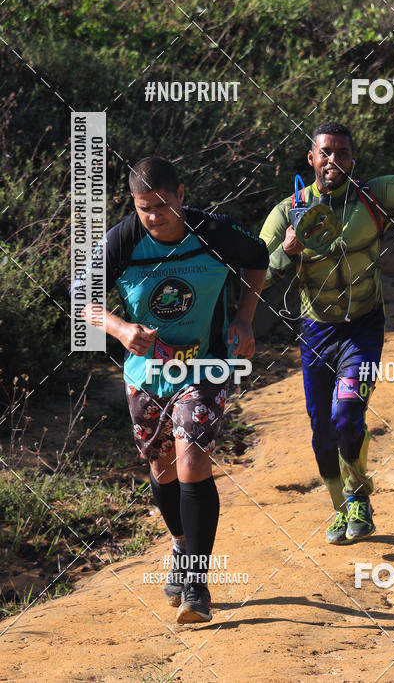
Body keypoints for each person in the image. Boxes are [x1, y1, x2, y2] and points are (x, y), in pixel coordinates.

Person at [76, 156, 268, 623]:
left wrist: (243, 318)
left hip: (205, 367)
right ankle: (182, 547)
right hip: (146, 374)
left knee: (193, 461)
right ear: (134, 205)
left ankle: (198, 587)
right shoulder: (121, 241)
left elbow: (258, 256)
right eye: (145, 208)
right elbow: (83, 298)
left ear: (181, 193)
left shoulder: (214, 232)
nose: (155, 216)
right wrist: (120, 329)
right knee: (162, 469)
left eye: (163, 205)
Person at [259, 106, 394, 545]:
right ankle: (340, 509)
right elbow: (259, 271)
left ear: (353, 159)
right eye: (325, 152)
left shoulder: (372, 198)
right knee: (321, 430)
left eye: (342, 152)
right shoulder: (288, 211)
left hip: (363, 326)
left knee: (347, 413)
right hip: (317, 330)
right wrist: (288, 248)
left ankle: (360, 498)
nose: (333, 160)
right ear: (311, 158)